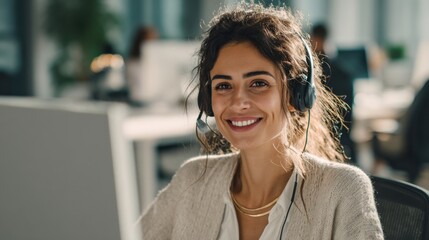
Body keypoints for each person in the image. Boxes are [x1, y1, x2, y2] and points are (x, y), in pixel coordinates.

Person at [140, 3, 383, 239]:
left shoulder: (343, 191)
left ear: (294, 95)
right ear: (207, 101)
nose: (238, 102)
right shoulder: (192, 180)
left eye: (258, 83)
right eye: (223, 86)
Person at [310, 23, 356, 163]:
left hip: (321, 136)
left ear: (315, 39)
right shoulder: (342, 69)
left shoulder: (313, 70)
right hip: (343, 138)